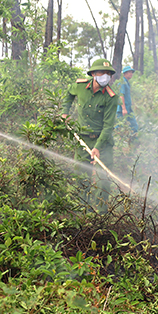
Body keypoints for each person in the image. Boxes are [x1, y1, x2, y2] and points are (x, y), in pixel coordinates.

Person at [62, 58, 120, 209]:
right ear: (94, 74)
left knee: (103, 181)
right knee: (81, 177)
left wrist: (98, 148)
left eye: (109, 74)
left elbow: (108, 127)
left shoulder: (111, 97)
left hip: (103, 143)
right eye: (102, 73)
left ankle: (102, 216)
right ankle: (83, 212)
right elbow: (69, 94)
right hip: (82, 141)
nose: (106, 76)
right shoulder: (80, 87)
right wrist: (64, 113)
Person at [115, 65, 139, 133]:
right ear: (124, 73)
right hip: (122, 110)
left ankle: (133, 141)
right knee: (119, 126)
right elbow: (121, 95)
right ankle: (118, 141)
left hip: (128, 109)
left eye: (131, 72)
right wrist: (123, 109)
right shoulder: (122, 82)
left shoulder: (127, 83)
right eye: (129, 72)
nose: (131, 74)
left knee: (134, 126)